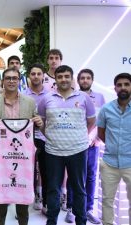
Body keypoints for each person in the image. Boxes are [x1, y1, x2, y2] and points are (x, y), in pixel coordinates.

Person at [0, 67, 43, 225]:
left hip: (23, 155)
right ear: (2, 81)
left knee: (23, 188)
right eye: (8, 78)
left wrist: (39, 123)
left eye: (14, 78)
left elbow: (36, 123)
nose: (11, 81)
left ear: (19, 81)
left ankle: (23, 221)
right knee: (1, 189)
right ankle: (0, 221)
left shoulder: (29, 102)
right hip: (1, 154)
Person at [37, 65, 96, 225]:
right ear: (55, 79)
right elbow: (41, 122)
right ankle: (52, 221)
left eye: (66, 76)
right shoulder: (47, 98)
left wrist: (78, 136)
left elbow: (91, 122)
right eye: (60, 76)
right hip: (53, 151)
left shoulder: (84, 98)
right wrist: (50, 136)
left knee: (79, 189)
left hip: (78, 151)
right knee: (53, 189)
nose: (63, 79)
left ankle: (81, 221)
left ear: (71, 78)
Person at [67, 69, 104, 224]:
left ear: (92, 80)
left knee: (90, 176)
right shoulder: (73, 97)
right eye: (82, 78)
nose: (85, 80)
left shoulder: (100, 98)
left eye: (88, 78)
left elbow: (102, 120)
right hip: (75, 143)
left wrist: (96, 139)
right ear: (78, 80)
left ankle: (88, 209)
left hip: (92, 144)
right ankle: (70, 209)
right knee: (73, 176)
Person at [97, 73, 131, 225]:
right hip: (109, 163)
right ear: (115, 88)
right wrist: (113, 146)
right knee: (107, 200)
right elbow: (101, 133)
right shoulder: (106, 109)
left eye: (126, 84)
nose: (123, 87)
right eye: (119, 85)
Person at [22, 63, 49, 214]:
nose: (36, 76)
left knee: (46, 172)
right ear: (29, 76)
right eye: (33, 74)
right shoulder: (23, 95)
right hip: (28, 139)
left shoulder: (51, 94)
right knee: (27, 173)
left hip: (45, 138)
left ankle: (45, 203)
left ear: (43, 76)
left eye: (39, 74)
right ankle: (25, 204)